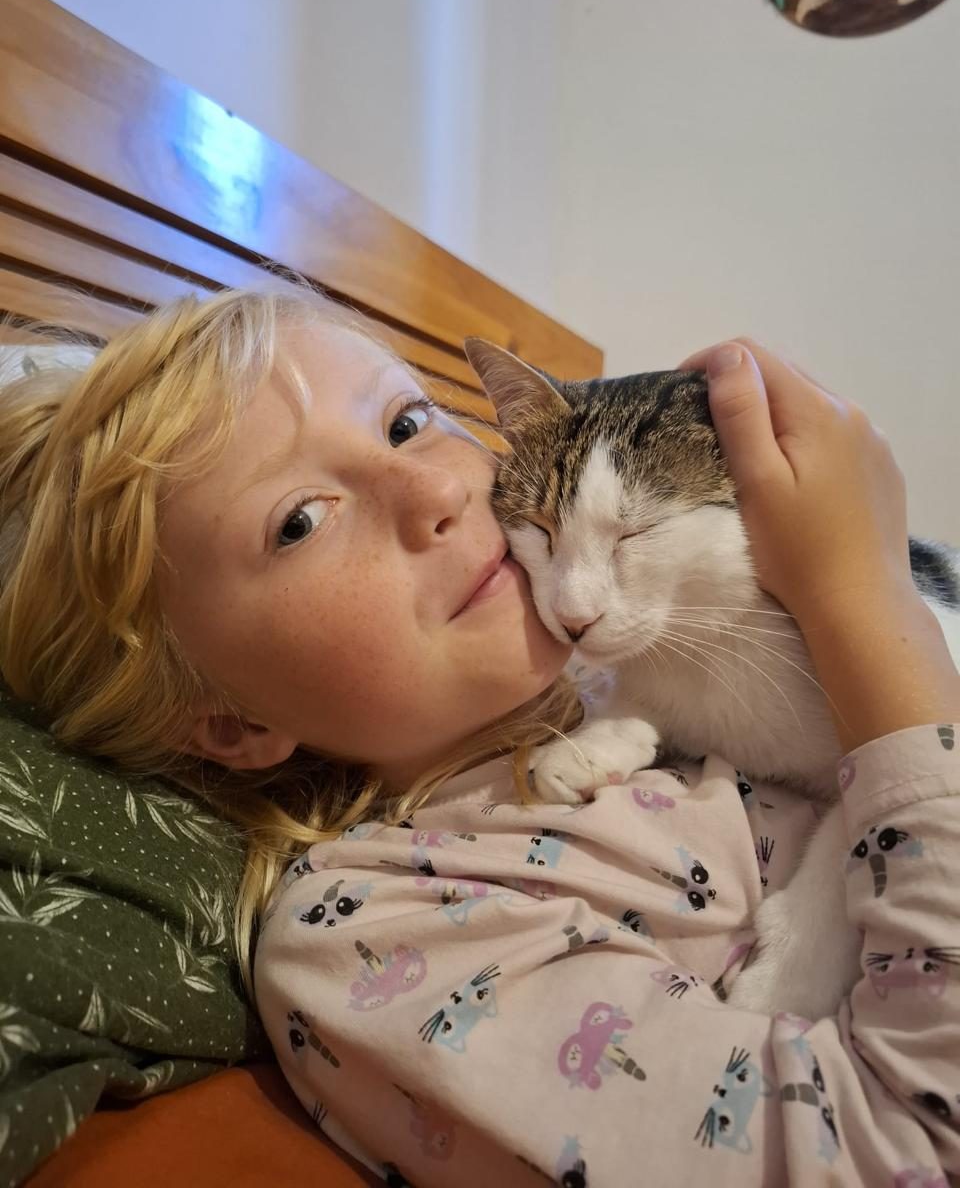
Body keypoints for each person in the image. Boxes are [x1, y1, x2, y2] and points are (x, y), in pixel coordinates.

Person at [1, 287, 957, 1186]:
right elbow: (902, 1148)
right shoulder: (372, 931)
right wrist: (866, 599)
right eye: (299, 522)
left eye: (406, 423)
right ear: (234, 722)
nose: (434, 489)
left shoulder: (639, 682)